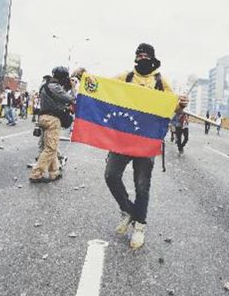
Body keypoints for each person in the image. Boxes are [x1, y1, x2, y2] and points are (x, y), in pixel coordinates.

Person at [78, 42, 187, 250]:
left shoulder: (160, 81)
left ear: (153, 59)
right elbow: (101, 88)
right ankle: (128, 210)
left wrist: (181, 105)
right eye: (139, 55)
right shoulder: (125, 77)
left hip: (146, 143)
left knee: (142, 186)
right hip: (122, 140)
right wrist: (84, 76)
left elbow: (174, 108)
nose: (141, 59)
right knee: (111, 175)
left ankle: (140, 226)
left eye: (146, 56)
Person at [30, 66, 75, 183]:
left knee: (51, 146)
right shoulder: (55, 87)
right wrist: (74, 87)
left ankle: (54, 173)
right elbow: (71, 99)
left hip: (43, 118)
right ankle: (36, 174)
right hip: (52, 119)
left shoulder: (45, 85)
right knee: (50, 148)